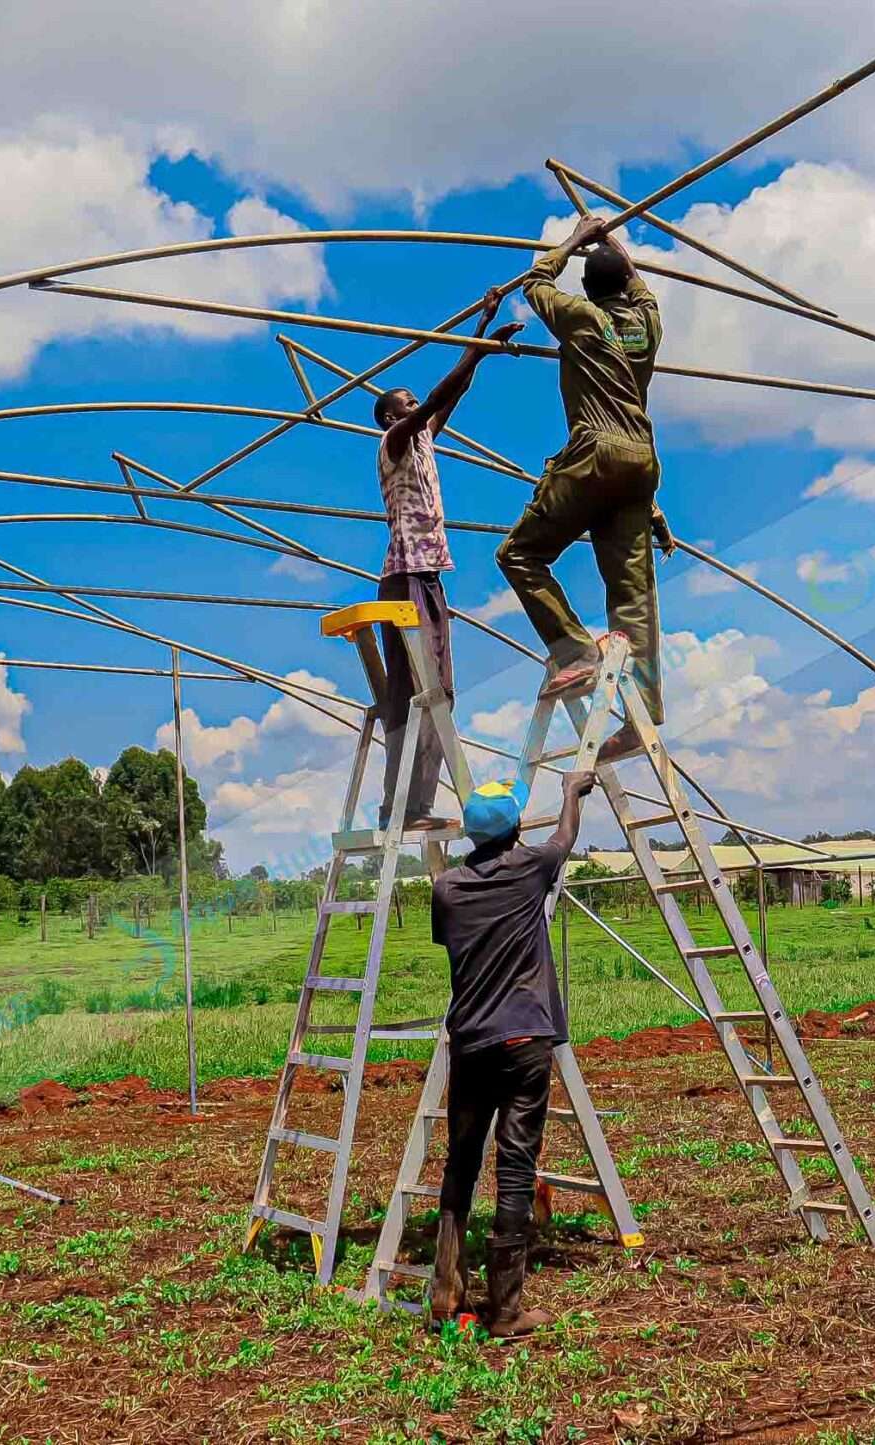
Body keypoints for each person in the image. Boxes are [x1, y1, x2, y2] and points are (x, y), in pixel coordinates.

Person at [495, 214, 676, 764]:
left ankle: (574, 651)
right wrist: (606, 241)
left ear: (589, 287)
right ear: (623, 283)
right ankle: (644, 706)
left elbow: (534, 284)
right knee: (633, 595)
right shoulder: (647, 324)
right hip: (641, 462)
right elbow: (637, 282)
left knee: (520, 555)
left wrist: (574, 240)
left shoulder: (581, 317)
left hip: (596, 452)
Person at [426, 767, 600, 1336]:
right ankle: (506, 1308)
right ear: (515, 827)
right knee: (516, 1167)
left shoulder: (447, 888)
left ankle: (445, 1291)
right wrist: (571, 792)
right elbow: (564, 839)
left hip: (470, 1041)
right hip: (524, 1040)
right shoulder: (530, 868)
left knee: (462, 1160)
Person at [371, 294, 526, 828]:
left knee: (438, 694)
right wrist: (474, 350)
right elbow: (439, 396)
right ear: (393, 417)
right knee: (418, 692)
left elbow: (449, 396)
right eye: (409, 405)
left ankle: (415, 806)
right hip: (404, 576)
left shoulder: (423, 443)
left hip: (429, 575)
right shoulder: (394, 441)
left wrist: (481, 342)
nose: (419, 410)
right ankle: (405, 807)